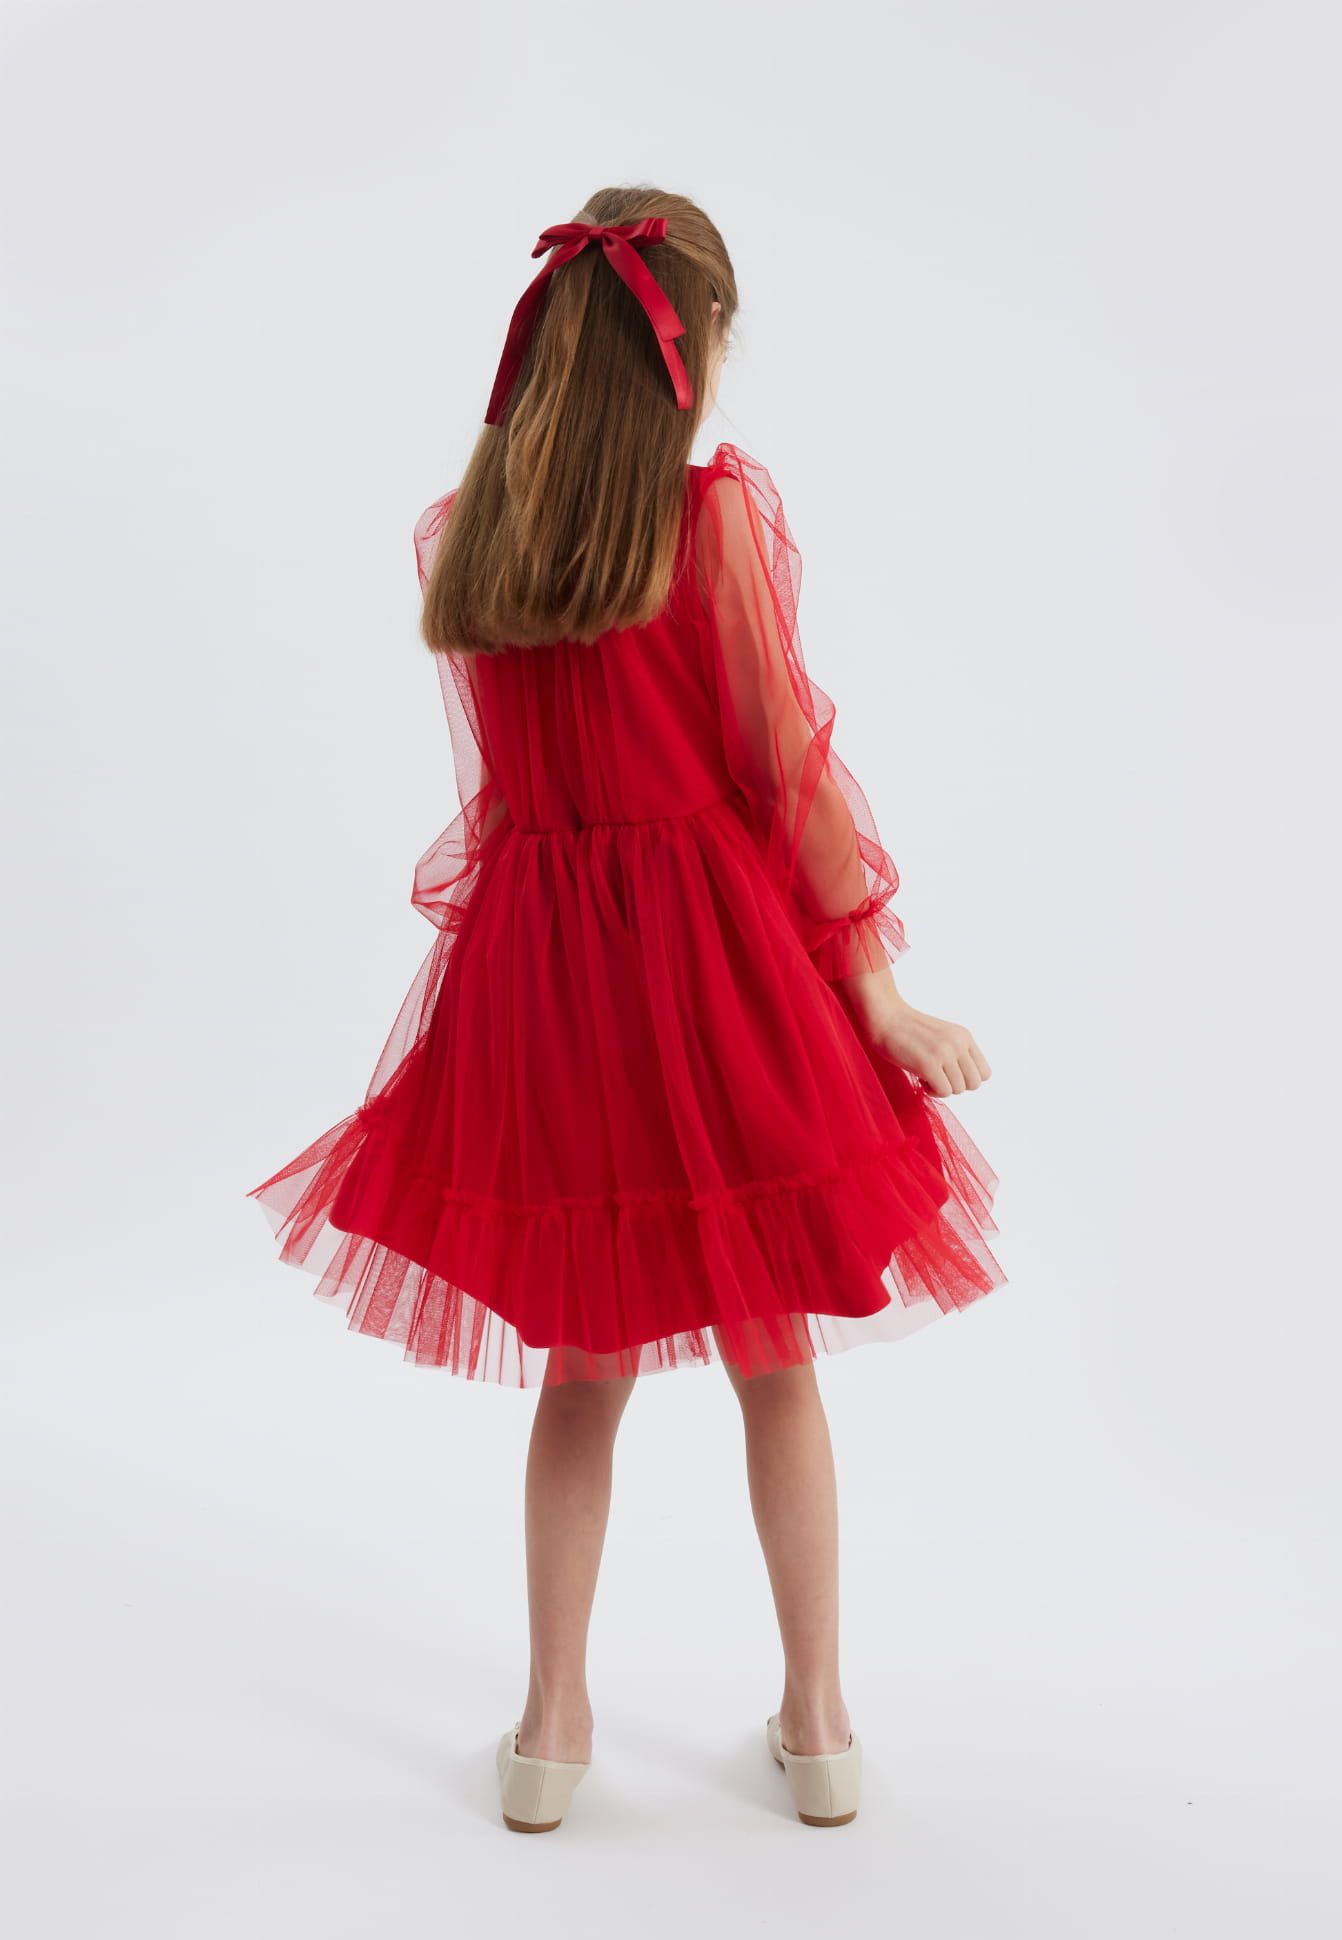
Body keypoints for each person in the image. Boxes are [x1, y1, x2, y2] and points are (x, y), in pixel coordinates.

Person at [246, 186, 1007, 1832]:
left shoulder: (473, 537)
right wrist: (873, 988)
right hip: (713, 964)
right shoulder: (706, 522)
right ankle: (818, 1725)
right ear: (693, 343)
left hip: (544, 977)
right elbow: (785, 768)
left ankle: (550, 1733)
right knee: (771, 1353)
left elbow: (505, 794)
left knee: (580, 1367)